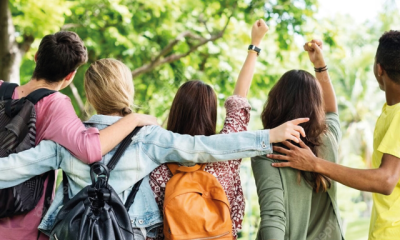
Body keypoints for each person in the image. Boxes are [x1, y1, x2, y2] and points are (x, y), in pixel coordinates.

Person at [0, 58, 308, 240]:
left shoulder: (67, 142)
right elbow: (208, 147)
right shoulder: (148, 139)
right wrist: (268, 136)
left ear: (90, 97)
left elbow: (10, 169)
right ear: (128, 90)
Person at [0, 32, 156, 240]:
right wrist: (134, 119)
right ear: (70, 75)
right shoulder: (55, 104)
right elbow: (90, 150)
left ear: (36, 57)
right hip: (21, 224)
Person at [269, 31, 400, 240]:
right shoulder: (389, 110)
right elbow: (331, 113)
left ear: (379, 69)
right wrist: (320, 66)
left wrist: (315, 164)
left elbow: (386, 180)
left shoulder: (398, 114)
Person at [148, 19, 270, 239]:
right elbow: (238, 100)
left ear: (176, 111)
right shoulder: (227, 154)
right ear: (211, 114)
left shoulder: (156, 161)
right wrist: (255, 43)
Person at [251, 39, 344, 240]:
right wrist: (320, 65)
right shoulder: (328, 139)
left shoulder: (268, 152)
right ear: (315, 106)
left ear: (275, 103)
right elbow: (332, 112)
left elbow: (273, 218)